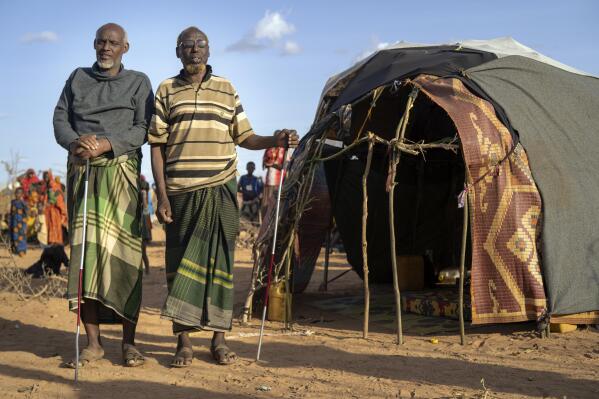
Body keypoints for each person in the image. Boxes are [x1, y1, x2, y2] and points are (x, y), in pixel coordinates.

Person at [149, 26, 299, 367]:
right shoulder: (166, 90)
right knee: (179, 266)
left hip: (221, 189)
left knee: (222, 265)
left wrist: (275, 139)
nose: (194, 50)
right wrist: (161, 195)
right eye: (187, 45)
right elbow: (156, 146)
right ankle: (183, 342)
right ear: (177, 52)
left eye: (200, 44)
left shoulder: (227, 88)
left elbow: (243, 136)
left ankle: (219, 339)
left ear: (209, 50)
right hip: (181, 192)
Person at [53, 22, 153, 368]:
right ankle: (94, 343)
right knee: (86, 260)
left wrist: (108, 144)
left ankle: (129, 343)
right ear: (94, 44)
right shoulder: (77, 77)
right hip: (83, 174)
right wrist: (76, 142)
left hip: (119, 177)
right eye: (100, 42)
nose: (105, 48)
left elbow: (143, 128)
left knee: (124, 261)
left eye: (113, 43)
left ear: (126, 47)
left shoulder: (139, 82)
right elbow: (60, 119)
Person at [42, 170, 68, 245]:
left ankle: (56, 241)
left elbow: (57, 196)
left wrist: (51, 202)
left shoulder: (53, 186)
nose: (45, 178)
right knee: (51, 225)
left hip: (54, 210)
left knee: (55, 225)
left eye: (47, 177)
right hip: (49, 210)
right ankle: (52, 241)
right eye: (44, 177)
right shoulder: (48, 186)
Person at [261, 143, 286, 216]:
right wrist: (270, 164)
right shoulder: (269, 149)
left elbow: (285, 166)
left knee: (277, 203)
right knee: (266, 203)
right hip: (269, 181)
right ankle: (264, 222)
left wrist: (272, 164)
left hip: (279, 181)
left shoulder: (284, 150)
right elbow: (264, 164)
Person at [9, 188, 28, 256]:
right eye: (16, 193)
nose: (17, 195)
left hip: (22, 223)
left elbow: (27, 212)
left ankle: (22, 251)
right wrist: (10, 221)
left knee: (22, 236)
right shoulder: (13, 202)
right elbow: (11, 212)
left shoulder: (24, 203)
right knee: (14, 237)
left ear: (22, 194)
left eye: (19, 193)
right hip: (14, 222)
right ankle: (14, 252)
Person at [139, 175, 152, 275]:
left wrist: (143, 198)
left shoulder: (145, 202)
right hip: (141, 230)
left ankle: (147, 270)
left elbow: (146, 210)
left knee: (143, 253)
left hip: (143, 231)